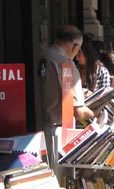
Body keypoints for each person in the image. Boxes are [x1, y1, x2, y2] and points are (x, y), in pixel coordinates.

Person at [40, 25, 94, 160]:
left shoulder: (41, 55)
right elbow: (79, 112)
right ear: (75, 46)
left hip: (35, 127)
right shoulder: (66, 64)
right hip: (56, 130)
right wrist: (95, 112)